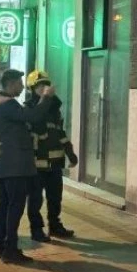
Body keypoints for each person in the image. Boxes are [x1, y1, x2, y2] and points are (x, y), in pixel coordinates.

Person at [0, 69, 56, 263]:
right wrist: (46, 97)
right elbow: (33, 116)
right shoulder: (8, 104)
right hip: (15, 164)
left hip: (4, 161)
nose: (21, 86)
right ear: (11, 83)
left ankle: (1, 246)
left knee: (4, 205)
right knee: (15, 207)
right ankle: (10, 249)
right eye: (19, 83)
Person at [24, 70, 78, 242]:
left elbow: (60, 133)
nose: (44, 89)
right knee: (35, 200)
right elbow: (33, 129)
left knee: (55, 198)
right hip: (37, 164)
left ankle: (55, 226)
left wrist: (70, 153)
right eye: (40, 86)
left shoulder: (55, 109)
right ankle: (36, 230)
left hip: (55, 163)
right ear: (32, 89)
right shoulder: (29, 109)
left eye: (46, 85)